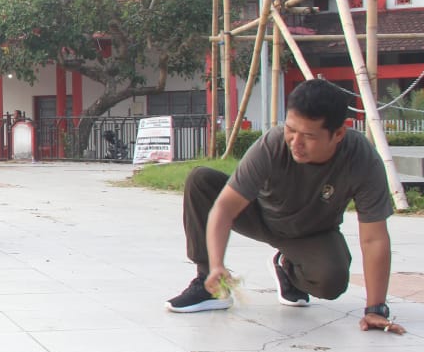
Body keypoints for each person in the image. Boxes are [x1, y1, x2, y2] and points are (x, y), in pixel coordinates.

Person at [165, 78, 403, 334]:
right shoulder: (273, 144)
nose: (295, 142)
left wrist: (375, 309)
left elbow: (374, 238)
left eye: (309, 135)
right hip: (260, 216)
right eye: (291, 129)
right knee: (201, 180)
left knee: (331, 282)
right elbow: (224, 208)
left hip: (311, 232)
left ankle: (287, 267)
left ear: (338, 134)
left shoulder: (361, 159)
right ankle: (207, 283)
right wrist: (216, 264)